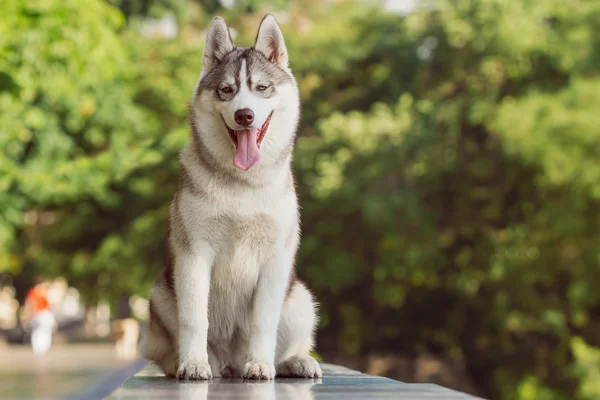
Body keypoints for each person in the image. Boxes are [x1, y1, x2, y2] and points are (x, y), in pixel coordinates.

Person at [23, 278, 55, 357]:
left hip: (36, 314)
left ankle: (37, 348)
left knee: (36, 331)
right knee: (45, 330)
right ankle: (43, 347)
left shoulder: (32, 292)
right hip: (43, 314)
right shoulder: (44, 291)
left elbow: (29, 303)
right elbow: (50, 304)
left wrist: (27, 314)